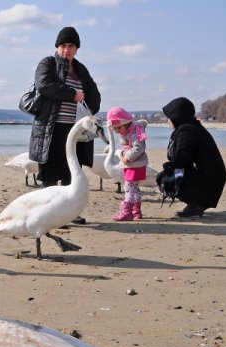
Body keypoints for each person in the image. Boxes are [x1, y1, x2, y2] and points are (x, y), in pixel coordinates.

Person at [28, 26, 101, 225]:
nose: (66, 49)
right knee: (50, 174)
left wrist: (88, 110)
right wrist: (72, 94)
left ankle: (70, 213)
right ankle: (47, 215)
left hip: (75, 130)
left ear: (76, 48)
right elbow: (44, 85)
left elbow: (94, 95)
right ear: (57, 46)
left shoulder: (81, 70)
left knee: (72, 171)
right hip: (51, 128)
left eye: (70, 46)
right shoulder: (48, 63)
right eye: (62, 45)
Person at [158, 97, 226, 217]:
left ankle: (196, 204)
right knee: (172, 173)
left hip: (210, 179)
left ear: (177, 116)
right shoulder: (190, 127)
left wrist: (168, 169)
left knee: (166, 178)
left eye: (170, 117)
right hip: (211, 176)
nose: (168, 120)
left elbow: (181, 160)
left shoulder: (187, 131)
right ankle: (197, 203)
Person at [107, 107, 148, 221]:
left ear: (126, 123)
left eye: (119, 127)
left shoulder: (135, 132)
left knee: (129, 188)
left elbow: (139, 147)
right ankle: (136, 212)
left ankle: (127, 212)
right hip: (136, 164)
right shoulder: (131, 131)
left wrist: (127, 157)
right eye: (115, 129)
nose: (117, 131)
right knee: (135, 188)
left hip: (134, 164)